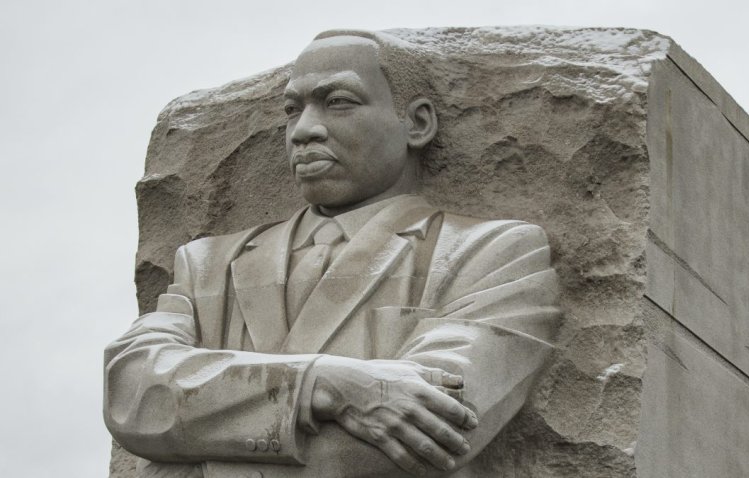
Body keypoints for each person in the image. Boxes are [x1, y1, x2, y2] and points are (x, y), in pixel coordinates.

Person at [104, 30, 561, 478]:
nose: (303, 130)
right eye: (292, 109)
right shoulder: (208, 265)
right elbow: (133, 394)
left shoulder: (493, 253)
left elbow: (430, 435)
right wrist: (322, 383)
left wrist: (181, 463)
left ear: (417, 123)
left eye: (339, 101)